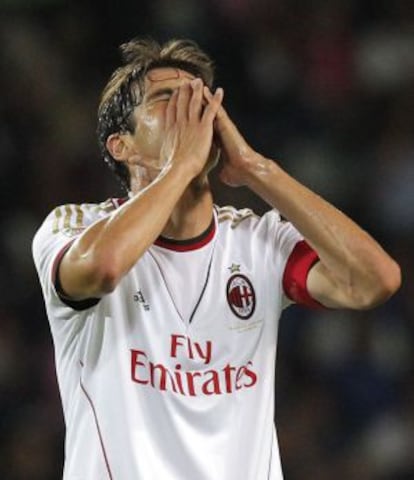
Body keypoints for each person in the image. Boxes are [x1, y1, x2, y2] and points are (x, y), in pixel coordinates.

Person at [32, 38, 401, 480]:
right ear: (121, 146)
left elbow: (375, 281)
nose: (193, 109)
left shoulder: (257, 242)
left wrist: (256, 170)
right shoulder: (75, 226)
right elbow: (101, 269)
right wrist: (179, 166)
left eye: (201, 97)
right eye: (167, 99)